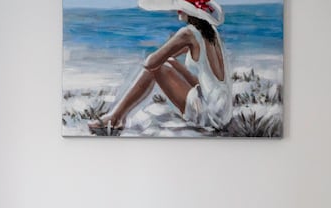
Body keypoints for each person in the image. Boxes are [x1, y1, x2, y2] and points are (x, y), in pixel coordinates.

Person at [89, 0, 232, 136]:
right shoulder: (210, 32)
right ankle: (116, 117)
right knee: (168, 62)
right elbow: (204, 79)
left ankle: (116, 118)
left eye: (181, 7)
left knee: (157, 68)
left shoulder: (187, 34)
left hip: (208, 113)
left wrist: (170, 45)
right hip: (222, 110)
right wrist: (171, 55)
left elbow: (150, 63)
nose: (178, 10)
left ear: (191, 13)